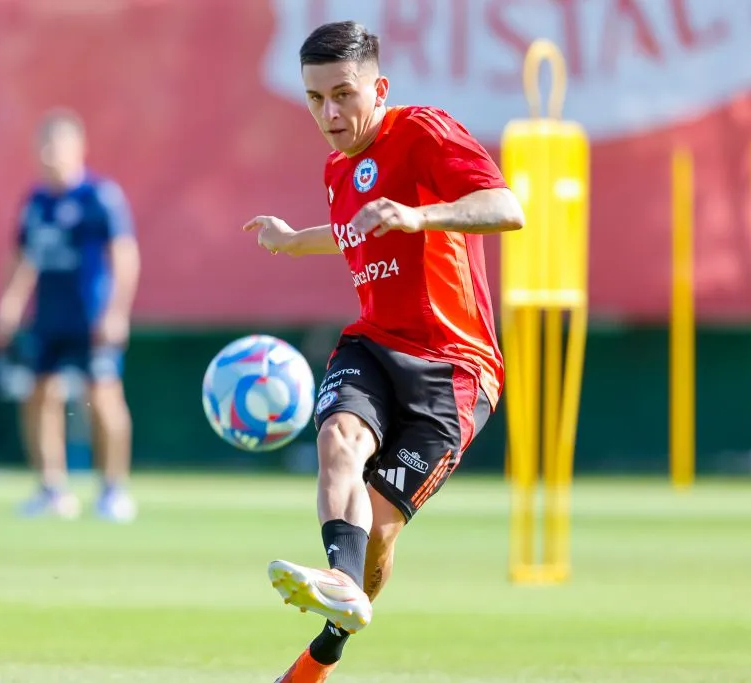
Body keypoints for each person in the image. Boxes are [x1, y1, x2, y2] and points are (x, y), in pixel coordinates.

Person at [242, 20, 524, 683]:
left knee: (380, 529)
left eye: (343, 94)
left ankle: (328, 646)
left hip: (457, 369)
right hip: (374, 345)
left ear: (379, 87)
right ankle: (341, 580)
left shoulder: (425, 131)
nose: (330, 113)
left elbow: (508, 206)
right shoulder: (337, 167)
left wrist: (422, 215)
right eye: (316, 99)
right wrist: (291, 240)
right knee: (339, 437)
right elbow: (353, 231)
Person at [0, 108, 141, 523]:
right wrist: (8, 306)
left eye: (56, 144)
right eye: (42, 144)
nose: (47, 153)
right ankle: (51, 489)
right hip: (49, 318)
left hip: (91, 318)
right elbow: (21, 258)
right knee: (39, 396)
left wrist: (116, 313)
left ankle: (113, 490)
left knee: (104, 398)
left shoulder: (98, 196)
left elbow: (124, 256)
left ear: (78, 148)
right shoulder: (35, 202)